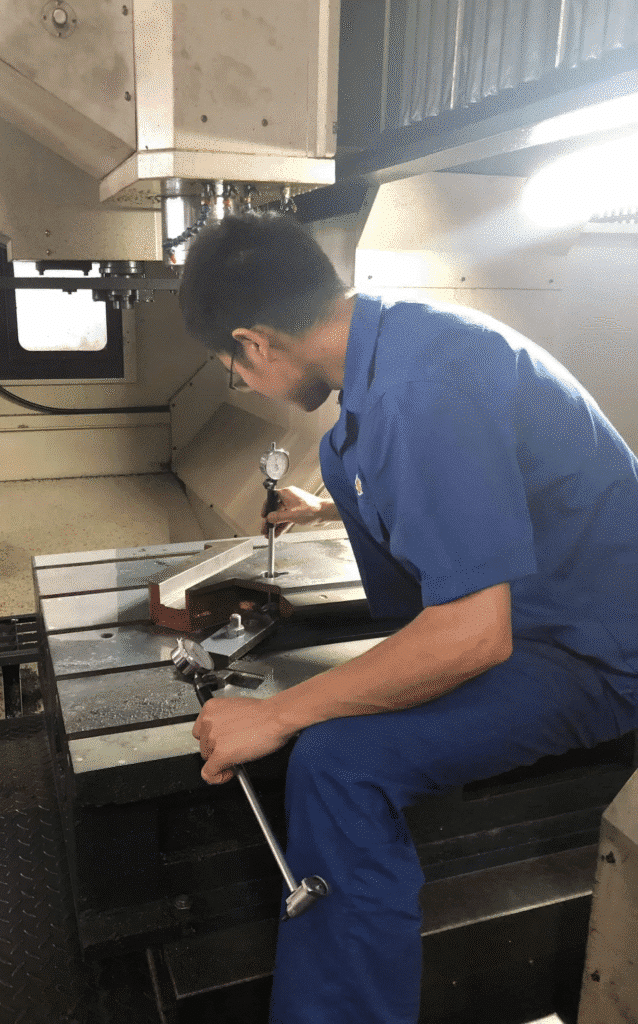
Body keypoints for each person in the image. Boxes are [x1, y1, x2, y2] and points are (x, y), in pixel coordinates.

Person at [178, 212, 638, 1024]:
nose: (244, 383)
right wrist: (325, 508)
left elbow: (471, 634)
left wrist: (276, 715)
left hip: (592, 647)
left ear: (253, 343)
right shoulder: (401, 345)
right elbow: (460, 486)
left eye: (232, 369)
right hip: (546, 614)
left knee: (336, 760)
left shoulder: (421, 390)